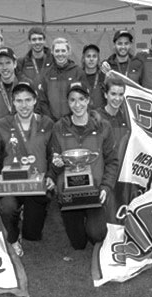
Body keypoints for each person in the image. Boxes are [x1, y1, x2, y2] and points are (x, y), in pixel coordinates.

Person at [48, 81, 119, 253]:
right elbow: (55, 158)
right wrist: (54, 169)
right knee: (78, 244)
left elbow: (112, 161)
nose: (77, 104)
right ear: (68, 102)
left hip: (94, 190)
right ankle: (80, 219)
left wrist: (105, 187)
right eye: (72, 100)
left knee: (97, 236)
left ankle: (93, 218)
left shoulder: (103, 126)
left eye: (81, 99)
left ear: (88, 100)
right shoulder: (59, 127)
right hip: (69, 191)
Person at [0, 82, 56, 256]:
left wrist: (51, 176)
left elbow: (52, 155)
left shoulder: (47, 123)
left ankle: (26, 215)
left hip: (37, 185)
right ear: (13, 102)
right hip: (12, 182)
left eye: (27, 100)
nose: (23, 105)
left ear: (35, 100)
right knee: (8, 208)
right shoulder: (2, 124)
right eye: (19, 101)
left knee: (32, 234)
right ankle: (12, 237)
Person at [37, 38, 86, 122]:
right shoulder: (46, 74)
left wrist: (73, 119)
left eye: (63, 51)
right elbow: (43, 100)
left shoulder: (78, 72)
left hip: (73, 122)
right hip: (52, 124)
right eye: (57, 51)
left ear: (69, 52)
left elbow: (84, 98)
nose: (60, 54)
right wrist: (50, 120)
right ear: (52, 52)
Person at [96, 78, 129, 143]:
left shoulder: (127, 118)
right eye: (113, 94)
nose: (117, 98)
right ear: (105, 95)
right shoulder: (96, 117)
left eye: (121, 94)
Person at [81, 44, 106, 110]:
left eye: (94, 56)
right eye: (88, 56)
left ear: (98, 59)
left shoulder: (103, 76)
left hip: (101, 116)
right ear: (83, 59)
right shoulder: (78, 76)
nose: (91, 59)